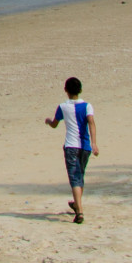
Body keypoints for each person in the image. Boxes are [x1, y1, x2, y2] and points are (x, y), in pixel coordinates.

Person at [44, 77, 98, 223]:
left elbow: (55, 124)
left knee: (75, 178)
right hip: (85, 146)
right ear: (80, 90)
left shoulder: (63, 107)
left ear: (66, 90)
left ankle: (79, 212)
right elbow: (91, 123)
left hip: (71, 146)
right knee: (80, 176)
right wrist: (94, 143)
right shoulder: (87, 106)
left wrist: (49, 121)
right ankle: (76, 204)